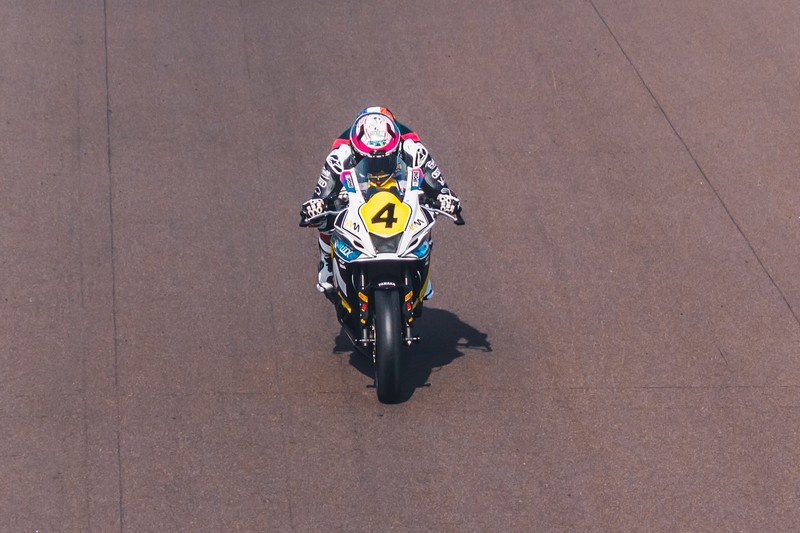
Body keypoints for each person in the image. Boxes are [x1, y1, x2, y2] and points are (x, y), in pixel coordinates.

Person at [301, 106, 460, 293]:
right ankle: (326, 261)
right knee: (324, 217)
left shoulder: (413, 149)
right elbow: (321, 194)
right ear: (355, 149)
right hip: (357, 191)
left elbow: (438, 184)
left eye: (385, 158)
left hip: (395, 189)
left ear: (397, 146)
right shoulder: (339, 155)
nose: (378, 166)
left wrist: (445, 198)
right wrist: (318, 205)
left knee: (426, 210)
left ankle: (422, 261)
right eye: (368, 158)